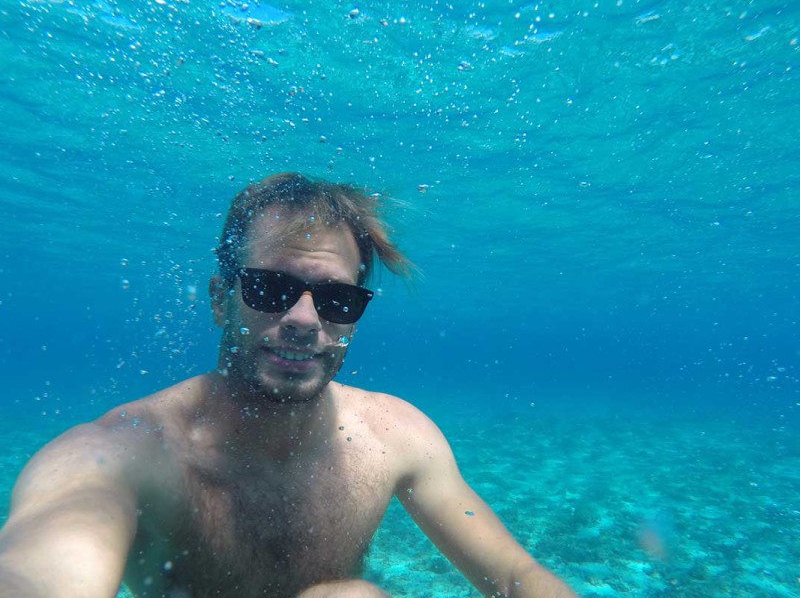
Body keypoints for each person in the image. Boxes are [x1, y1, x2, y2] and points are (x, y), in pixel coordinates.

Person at [0, 173, 576, 598]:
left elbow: (514, 576)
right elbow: (39, 569)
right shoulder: (122, 453)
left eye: (336, 299)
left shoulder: (396, 436)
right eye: (271, 289)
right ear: (222, 301)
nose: (304, 320)